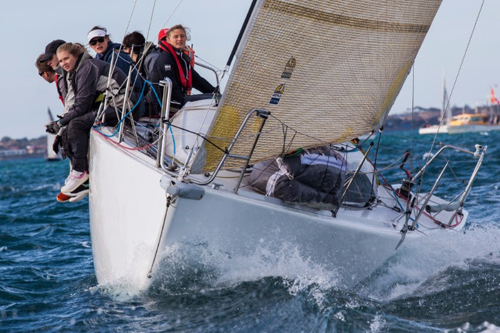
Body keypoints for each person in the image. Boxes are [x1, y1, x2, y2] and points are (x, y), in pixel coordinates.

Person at [45, 42, 137, 194]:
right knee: (71, 125)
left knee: (76, 125)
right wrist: (61, 126)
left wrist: (60, 122)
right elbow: (77, 104)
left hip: (125, 106)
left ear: (76, 56)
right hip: (111, 105)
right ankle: (79, 174)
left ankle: (80, 173)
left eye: (66, 59)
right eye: (60, 61)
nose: (63, 63)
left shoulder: (87, 68)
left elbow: (82, 105)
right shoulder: (78, 69)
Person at [153, 24, 217, 113]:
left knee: (217, 98)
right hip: (169, 103)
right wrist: (183, 102)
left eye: (182, 36)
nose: (180, 39)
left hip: (180, 99)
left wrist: (215, 91)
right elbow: (171, 85)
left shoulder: (182, 59)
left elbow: (198, 80)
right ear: (168, 40)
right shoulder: (165, 58)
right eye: (176, 37)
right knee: (213, 100)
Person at [122, 31, 161, 117]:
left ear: (129, 49)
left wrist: (141, 101)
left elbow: (154, 87)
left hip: (158, 104)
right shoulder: (147, 57)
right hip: (156, 101)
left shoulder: (150, 59)